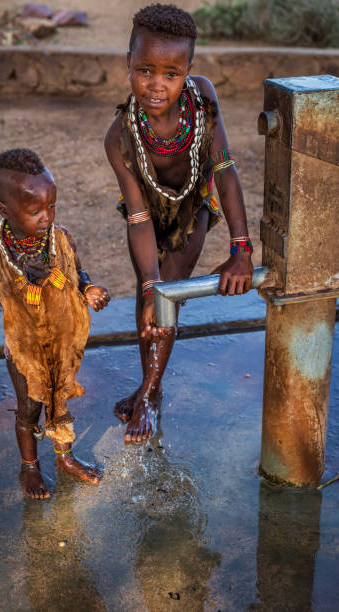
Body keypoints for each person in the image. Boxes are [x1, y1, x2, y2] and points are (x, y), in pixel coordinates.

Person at [105, 4, 254, 443]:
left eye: (171, 74)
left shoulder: (202, 98)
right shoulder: (120, 136)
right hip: (146, 215)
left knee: (171, 287)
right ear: (128, 64)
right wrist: (150, 285)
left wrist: (240, 250)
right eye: (145, 70)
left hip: (194, 205)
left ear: (188, 70)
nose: (157, 84)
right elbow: (137, 216)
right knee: (147, 293)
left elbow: (224, 169)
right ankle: (148, 384)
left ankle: (151, 393)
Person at [0, 148, 110, 499]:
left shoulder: (61, 240)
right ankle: (29, 467)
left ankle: (65, 458)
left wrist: (90, 289)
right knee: (29, 409)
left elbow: (78, 274)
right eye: (35, 211)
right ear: (4, 209)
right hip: (23, 350)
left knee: (59, 402)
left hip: (60, 342)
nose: (47, 217)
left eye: (51, 206)